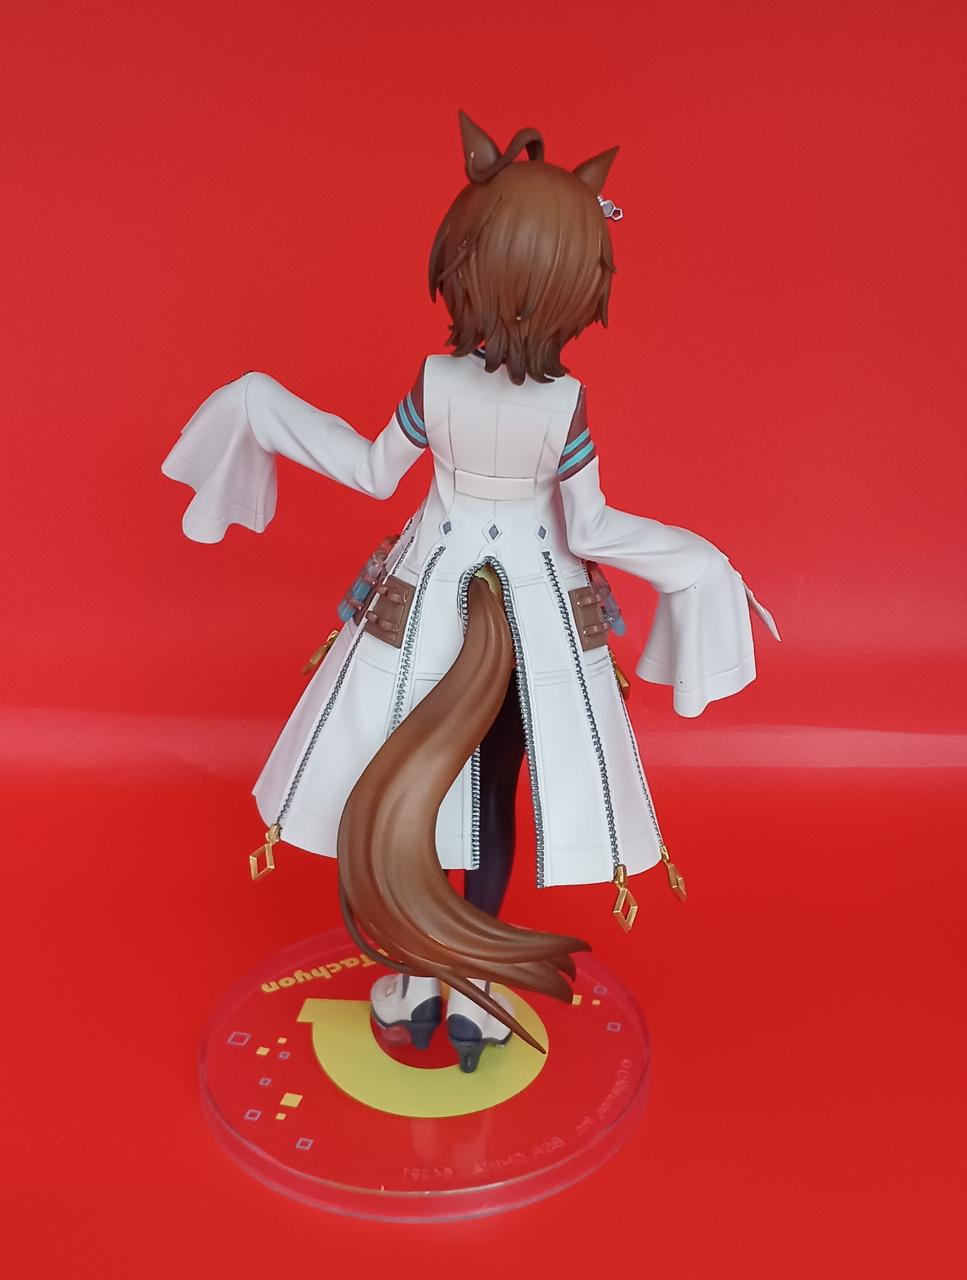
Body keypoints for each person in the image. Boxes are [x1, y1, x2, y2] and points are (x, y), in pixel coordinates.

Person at [162, 112, 778, 1073]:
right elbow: (591, 530)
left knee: (414, 777)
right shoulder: (562, 403)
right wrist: (693, 560)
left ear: (466, 264)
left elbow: (369, 471)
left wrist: (260, 406)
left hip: (422, 606)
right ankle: (470, 985)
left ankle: (423, 973)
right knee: (490, 796)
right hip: (534, 622)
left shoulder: (436, 382)